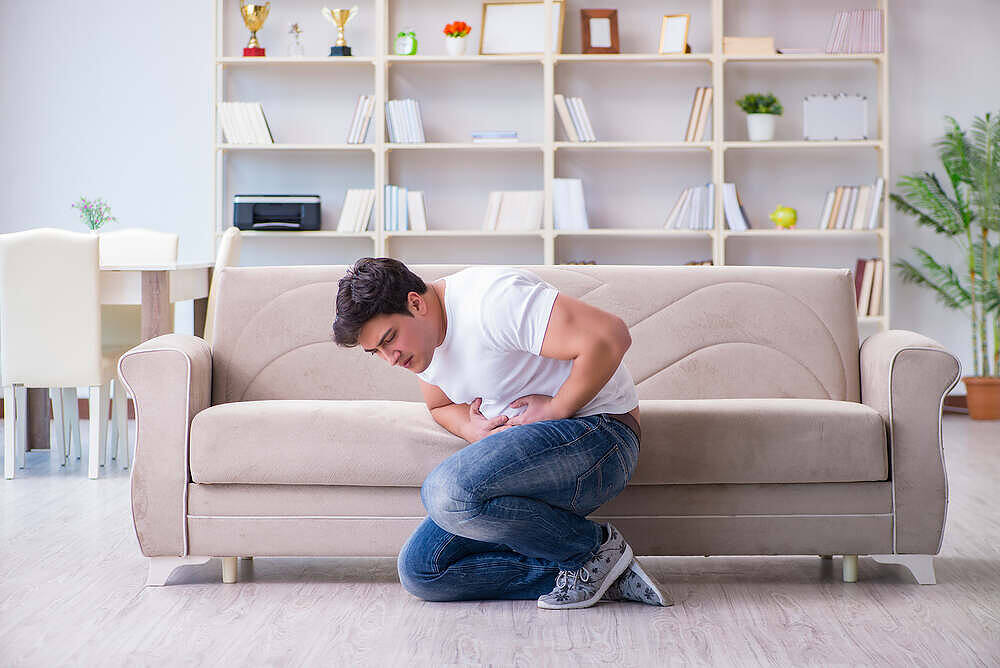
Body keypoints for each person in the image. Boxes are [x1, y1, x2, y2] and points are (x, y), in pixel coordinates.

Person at [332, 257, 670, 609]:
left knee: (447, 493)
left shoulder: (492, 301)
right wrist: (470, 427)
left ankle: (593, 550)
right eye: (377, 352)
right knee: (423, 571)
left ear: (415, 303)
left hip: (600, 437)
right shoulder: (420, 346)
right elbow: (440, 406)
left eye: (390, 339)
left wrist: (558, 408)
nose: (390, 358)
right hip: (527, 467)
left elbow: (610, 335)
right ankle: (602, 573)